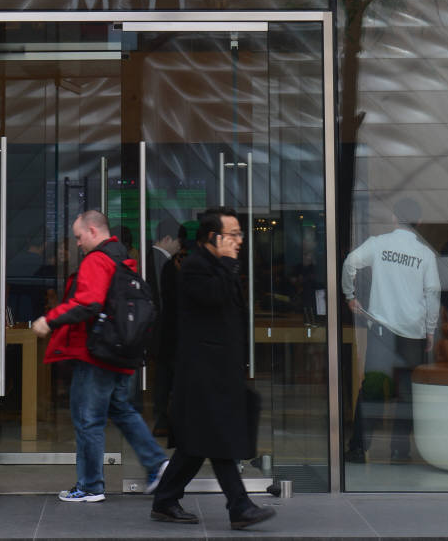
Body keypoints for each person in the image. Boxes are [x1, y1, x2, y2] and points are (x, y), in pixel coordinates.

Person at [151, 207, 275, 531]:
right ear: (212, 237)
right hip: (202, 369)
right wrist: (229, 264)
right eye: (232, 235)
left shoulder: (217, 266)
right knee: (217, 438)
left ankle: (165, 500)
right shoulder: (194, 267)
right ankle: (239, 506)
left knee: (198, 442)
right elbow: (213, 299)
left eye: (239, 234)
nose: (238, 241)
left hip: (220, 368)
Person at [32, 209, 168, 503]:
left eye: (79, 237)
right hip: (121, 352)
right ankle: (157, 463)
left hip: (96, 354)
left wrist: (50, 320)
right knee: (121, 409)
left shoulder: (97, 260)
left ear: (93, 231)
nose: (78, 243)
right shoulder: (123, 260)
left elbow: (89, 302)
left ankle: (90, 485)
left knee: (87, 418)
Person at [342, 197, 441, 464]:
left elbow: (350, 262)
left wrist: (350, 296)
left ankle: (358, 448)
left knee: (373, 388)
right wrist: (430, 330)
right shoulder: (425, 255)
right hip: (413, 335)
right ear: (419, 223)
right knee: (407, 395)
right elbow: (432, 295)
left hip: (382, 332)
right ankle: (400, 451)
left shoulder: (379, 244)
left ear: (395, 219)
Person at [146, 217, 181, 437]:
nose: (180, 246)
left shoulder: (152, 258)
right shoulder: (160, 261)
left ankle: (164, 419)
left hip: (160, 332)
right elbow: (162, 300)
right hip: (164, 331)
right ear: (167, 239)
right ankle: (165, 419)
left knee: (163, 376)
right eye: (178, 241)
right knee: (166, 376)